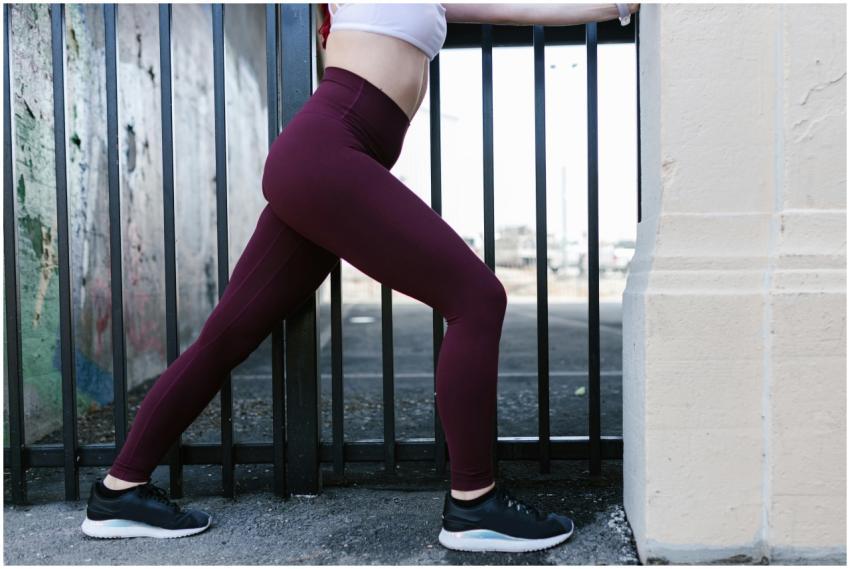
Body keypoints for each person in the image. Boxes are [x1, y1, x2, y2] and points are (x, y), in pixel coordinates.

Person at [80, 1, 639, 552]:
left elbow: (520, 8)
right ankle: (474, 504)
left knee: (226, 336)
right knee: (478, 298)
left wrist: (617, 6)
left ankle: (118, 491)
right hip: (327, 154)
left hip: (329, 163)